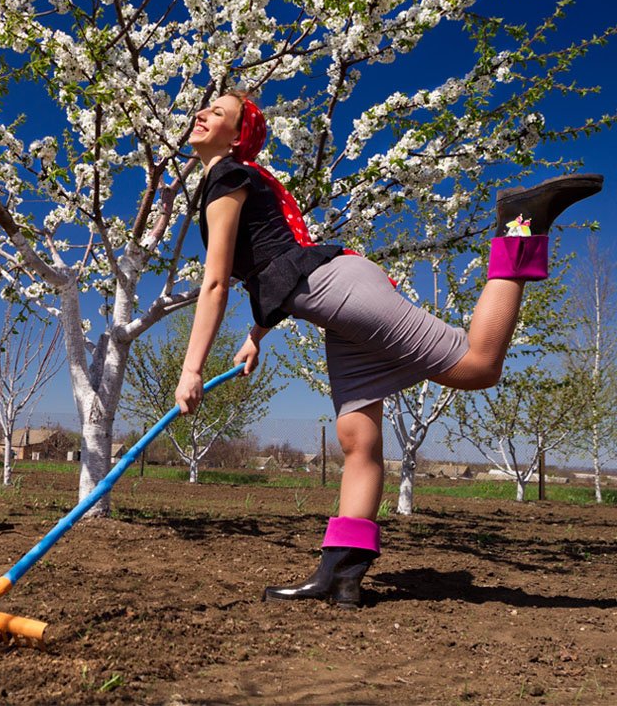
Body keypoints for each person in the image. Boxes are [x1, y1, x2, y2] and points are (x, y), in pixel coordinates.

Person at [176, 91, 602, 608]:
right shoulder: (228, 180)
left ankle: (521, 224)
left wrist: (192, 368)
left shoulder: (227, 176)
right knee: (358, 438)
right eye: (206, 108)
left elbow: (217, 281)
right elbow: (273, 260)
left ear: (238, 135)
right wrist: (256, 335)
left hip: (338, 290)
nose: (202, 114)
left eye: (218, 112)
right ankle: (341, 575)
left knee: (477, 365)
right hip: (328, 296)